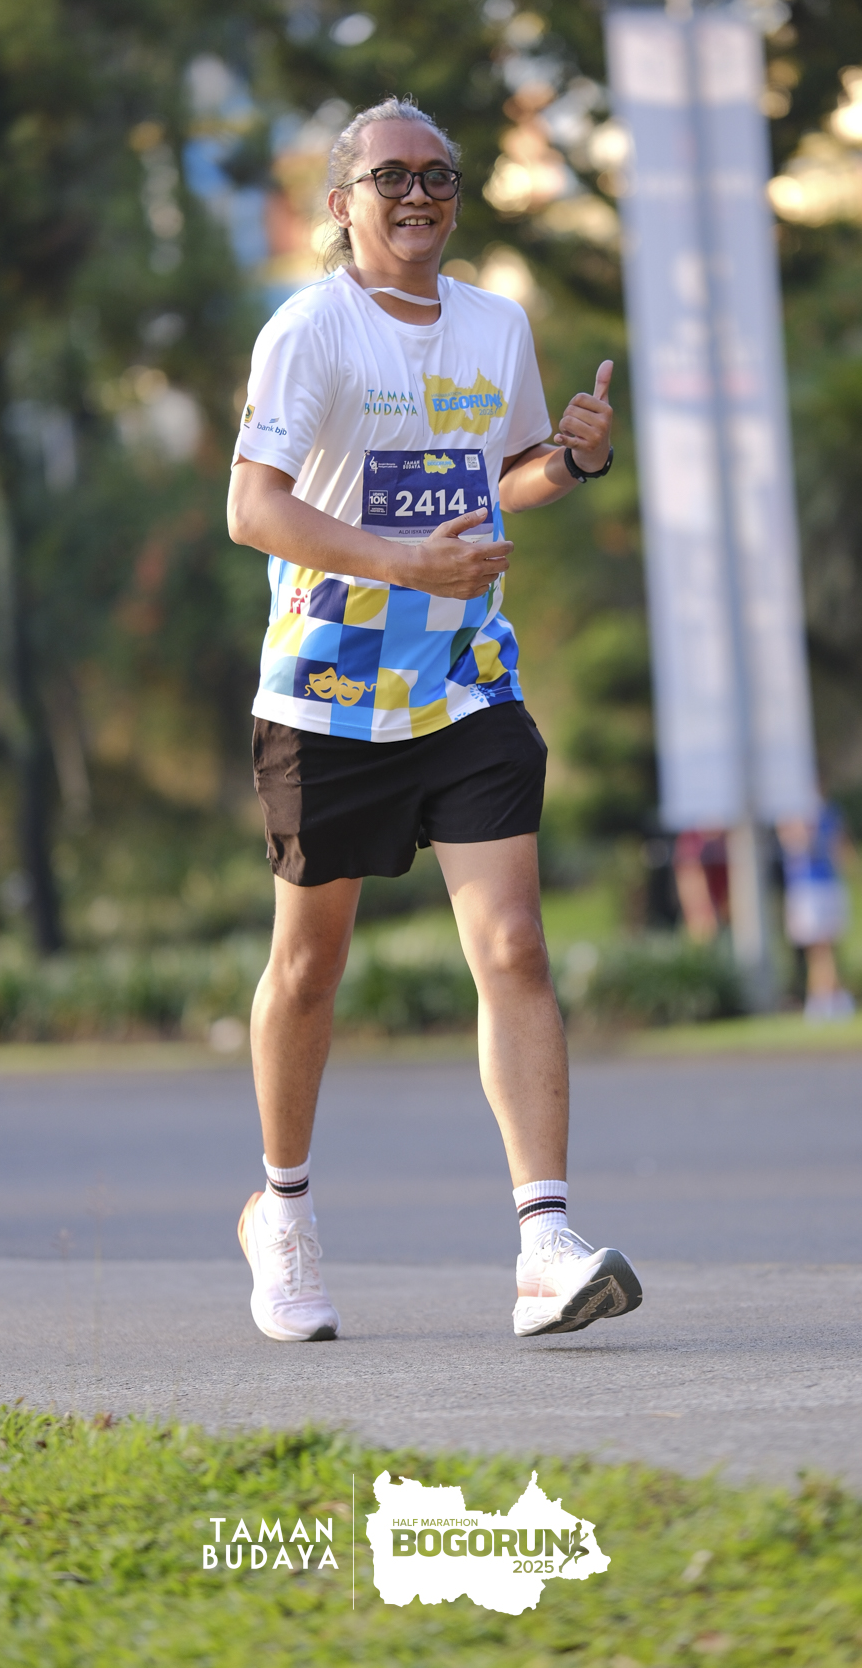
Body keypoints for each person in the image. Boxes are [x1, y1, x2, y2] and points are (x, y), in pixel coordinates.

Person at [225, 95, 643, 1343]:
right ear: (341, 204)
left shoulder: (494, 323)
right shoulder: (308, 330)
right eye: (391, 176)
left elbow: (501, 479)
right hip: (331, 691)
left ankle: (543, 1244)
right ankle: (281, 1213)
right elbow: (252, 508)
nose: (418, 196)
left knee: (512, 946)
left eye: (439, 176)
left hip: (466, 680)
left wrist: (568, 460)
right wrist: (404, 563)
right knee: (311, 967)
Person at [776, 801, 855, 1021]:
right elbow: (793, 843)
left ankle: (828, 998)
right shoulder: (791, 811)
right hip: (805, 888)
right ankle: (823, 1000)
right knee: (816, 948)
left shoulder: (829, 812)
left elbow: (841, 847)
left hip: (827, 885)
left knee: (826, 945)